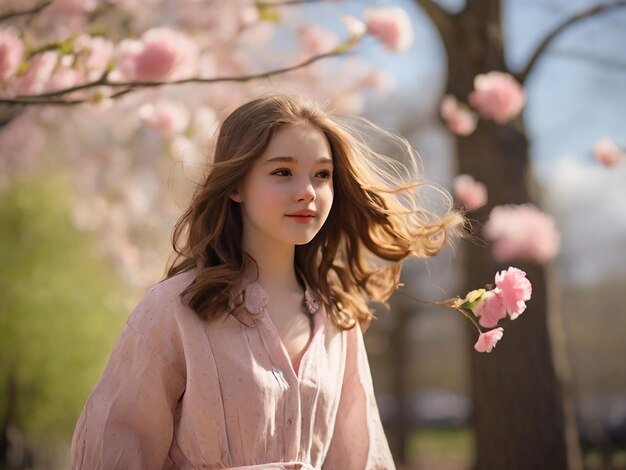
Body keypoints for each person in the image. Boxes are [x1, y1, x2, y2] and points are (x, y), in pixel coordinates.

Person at [71, 92, 463, 469]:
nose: (307, 192)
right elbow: (115, 450)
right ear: (237, 184)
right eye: (282, 172)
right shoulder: (175, 308)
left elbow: (361, 459)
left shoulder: (337, 322)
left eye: (322, 175)